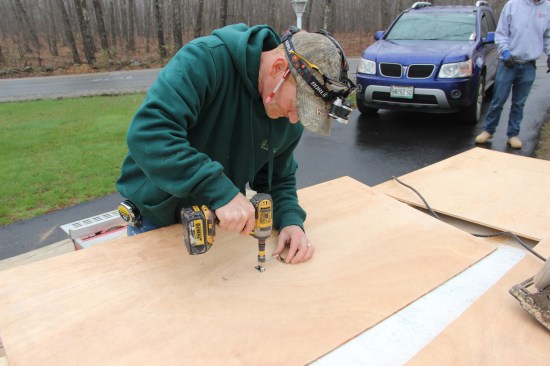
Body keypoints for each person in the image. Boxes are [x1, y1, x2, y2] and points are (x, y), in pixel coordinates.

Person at [115, 24, 355, 264]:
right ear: (279, 68)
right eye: (297, 105)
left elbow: (278, 179)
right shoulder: (205, 60)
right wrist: (220, 191)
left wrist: (290, 220)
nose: (295, 119)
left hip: (217, 226)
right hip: (156, 220)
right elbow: (150, 134)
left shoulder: (287, 113)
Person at [475, 0, 550, 149]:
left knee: (519, 103)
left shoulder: (547, 7)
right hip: (508, 62)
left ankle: (513, 135)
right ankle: (488, 130)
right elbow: (501, 33)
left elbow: (547, 36)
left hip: (528, 64)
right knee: (498, 99)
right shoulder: (513, 5)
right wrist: (505, 52)